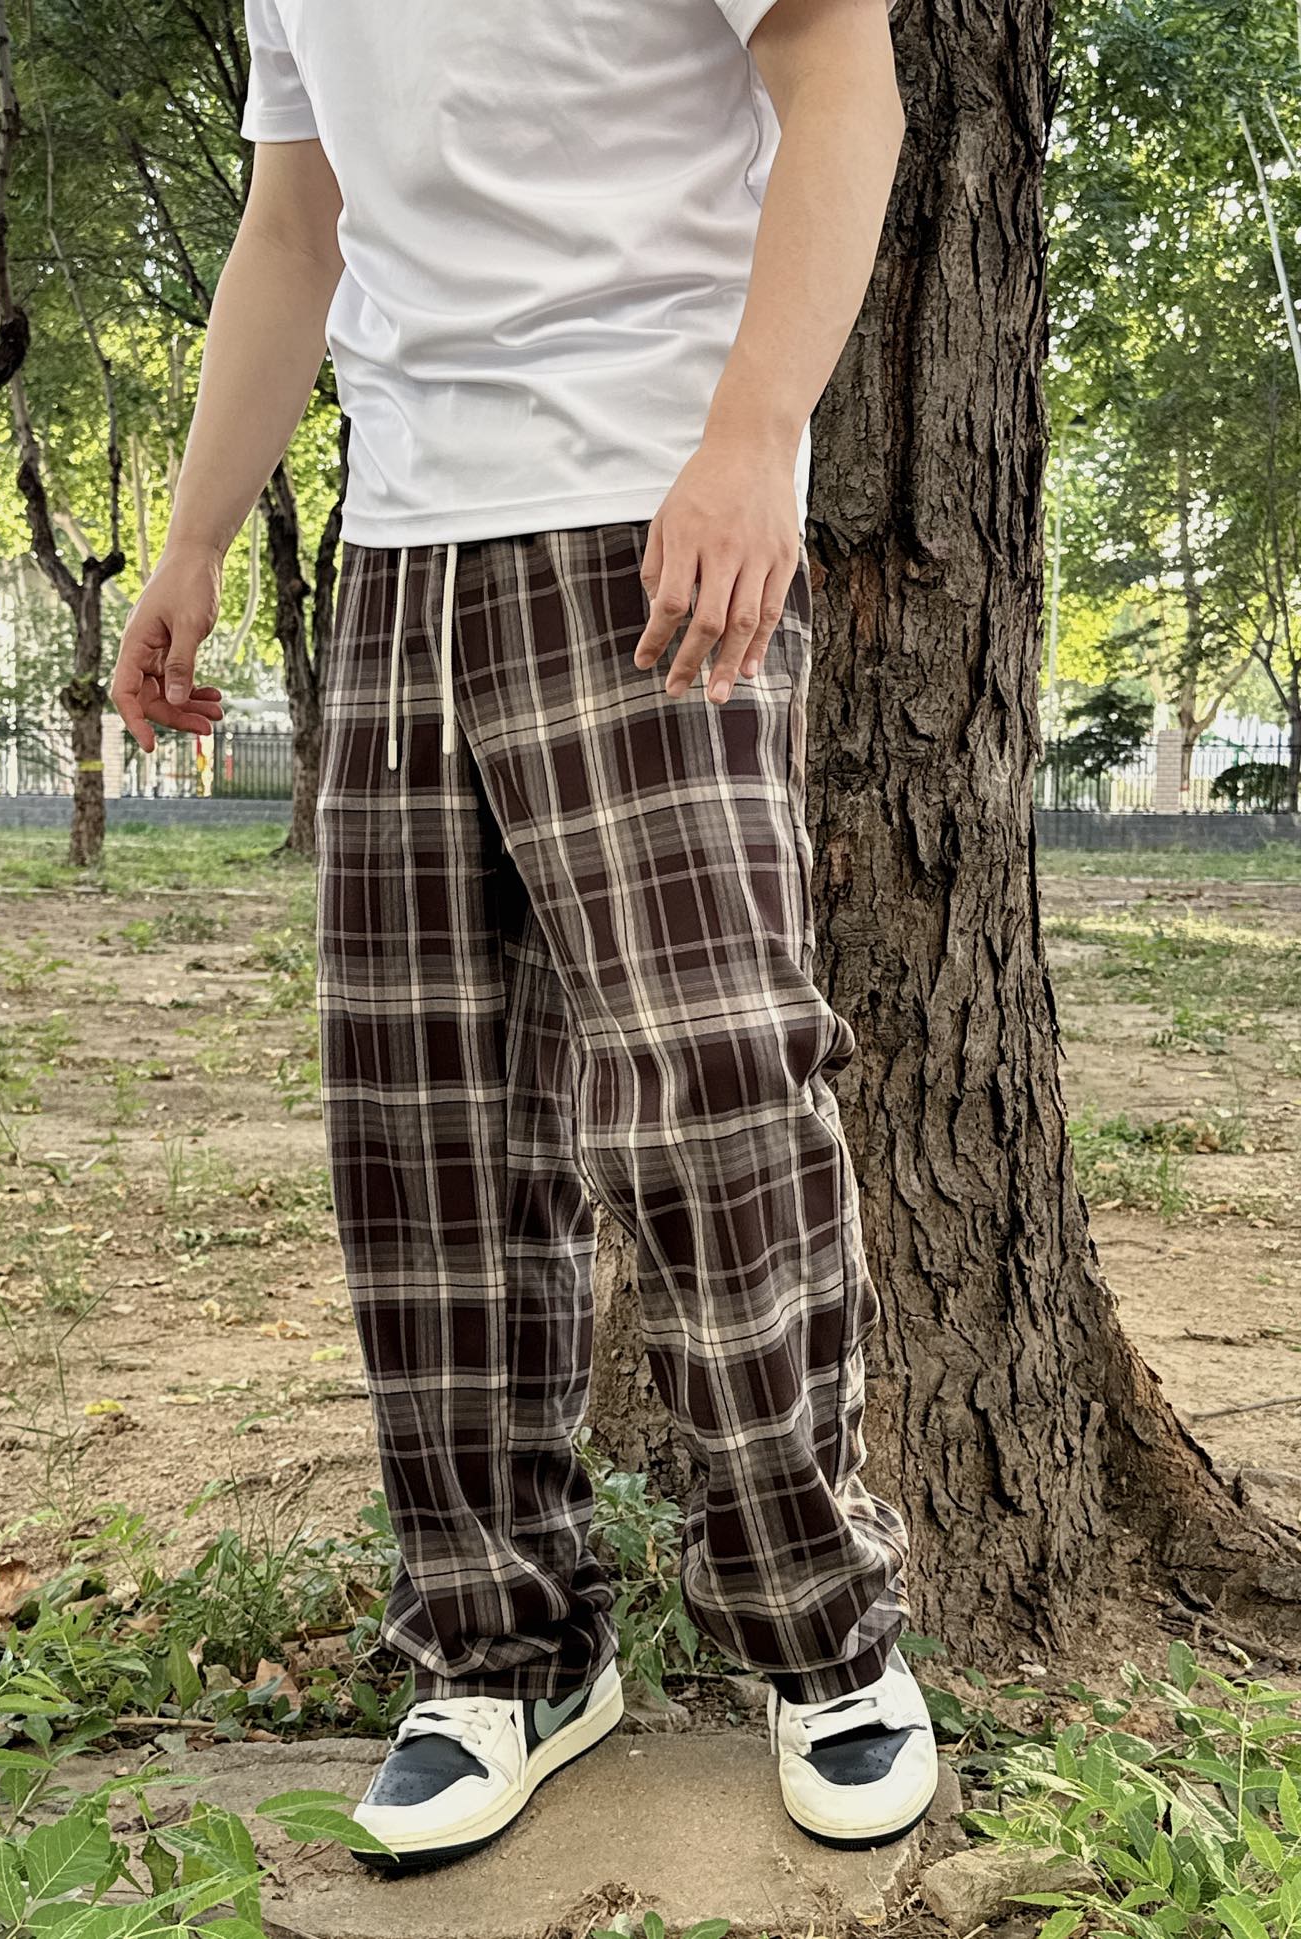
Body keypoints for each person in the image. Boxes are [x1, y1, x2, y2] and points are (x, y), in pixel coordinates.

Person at [110, 0, 937, 1873]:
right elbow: (296, 222)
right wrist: (195, 539)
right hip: (403, 552)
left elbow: (840, 71)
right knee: (428, 1141)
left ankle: (827, 1642)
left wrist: (754, 438)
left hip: (654, 514)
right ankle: (507, 1653)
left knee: (719, 1100)